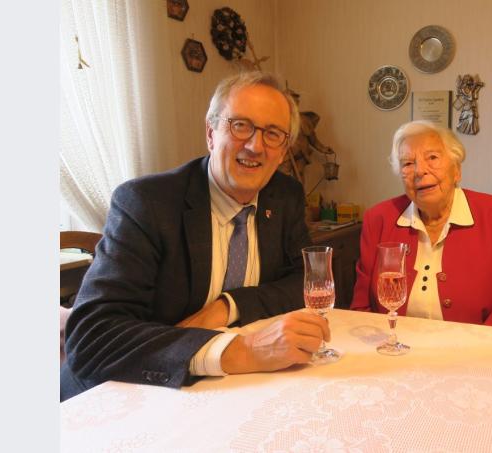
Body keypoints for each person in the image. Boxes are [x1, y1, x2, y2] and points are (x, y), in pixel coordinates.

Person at [61, 72, 331, 401]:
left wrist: (229, 306)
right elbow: (93, 337)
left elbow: (306, 280)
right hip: (128, 394)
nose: (255, 146)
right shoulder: (146, 203)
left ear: (283, 149)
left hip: (225, 391)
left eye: (273, 134)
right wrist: (243, 350)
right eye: (240, 125)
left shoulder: (284, 195)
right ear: (210, 133)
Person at [350, 121, 492, 329]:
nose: (420, 171)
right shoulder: (379, 219)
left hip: (475, 353)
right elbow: (361, 308)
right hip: (395, 350)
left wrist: (472, 355)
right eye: (407, 164)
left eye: (432, 158)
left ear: (456, 170)